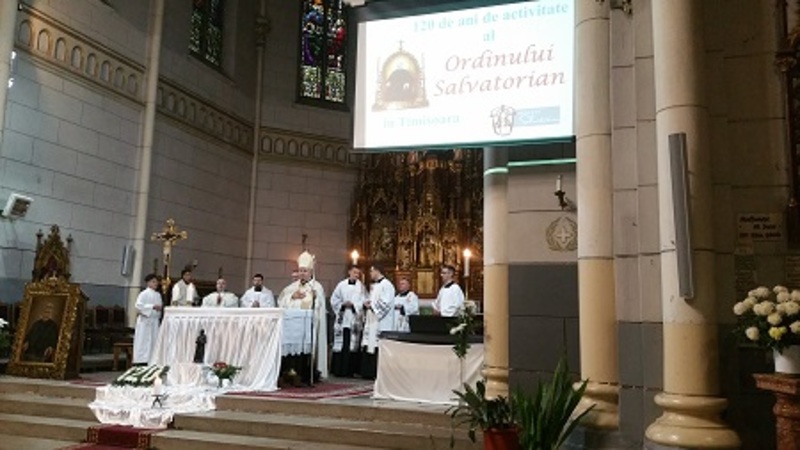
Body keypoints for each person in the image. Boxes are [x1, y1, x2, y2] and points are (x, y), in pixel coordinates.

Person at [277, 251, 328, 381]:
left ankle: (306, 373)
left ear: (311, 272)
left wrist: (314, 298)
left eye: (305, 271)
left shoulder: (317, 287)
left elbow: (319, 306)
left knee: (307, 348)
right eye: (300, 271)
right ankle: (289, 371)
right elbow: (281, 301)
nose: (302, 273)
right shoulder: (291, 287)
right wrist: (292, 297)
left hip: (309, 325)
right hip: (292, 327)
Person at [329, 265, 366, 377]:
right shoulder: (341, 285)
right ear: (349, 272)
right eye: (354, 272)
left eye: (358, 273)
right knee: (341, 343)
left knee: (352, 344)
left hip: (354, 318)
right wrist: (342, 304)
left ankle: (350, 371)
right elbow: (334, 299)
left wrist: (354, 305)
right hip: (343, 316)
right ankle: (339, 370)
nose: (356, 275)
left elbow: (364, 300)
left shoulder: (361, 287)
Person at [360, 264, 395, 379]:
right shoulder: (374, 286)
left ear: (377, 271)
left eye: (371, 271)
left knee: (376, 345)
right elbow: (373, 300)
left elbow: (386, 303)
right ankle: (368, 372)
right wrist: (367, 303)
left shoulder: (387, 285)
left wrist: (372, 306)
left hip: (381, 321)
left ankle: (377, 372)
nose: (370, 274)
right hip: (372, 319)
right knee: (369, 344)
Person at [133, 273, 163, 365]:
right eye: (153, 282)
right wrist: (152, 306)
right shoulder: (143, 294)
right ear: (148, 283)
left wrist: (158, 309)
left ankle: (152, 360)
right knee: (143, 341)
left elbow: (160, 307)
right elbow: (138, 306)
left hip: (154, 321)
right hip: (145, 321)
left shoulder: (158, 295)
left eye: (156, 282)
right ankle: (140, 360)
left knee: (153, 341)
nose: (156, 284)